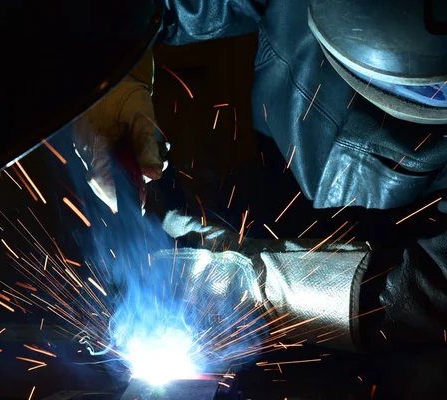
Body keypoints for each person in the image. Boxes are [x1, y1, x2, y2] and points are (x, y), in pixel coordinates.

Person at [71, 0, 447, 352]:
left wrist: (243, 282)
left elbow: (433, 293)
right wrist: (115, 71)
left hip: (398, 256)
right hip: (275, 178)